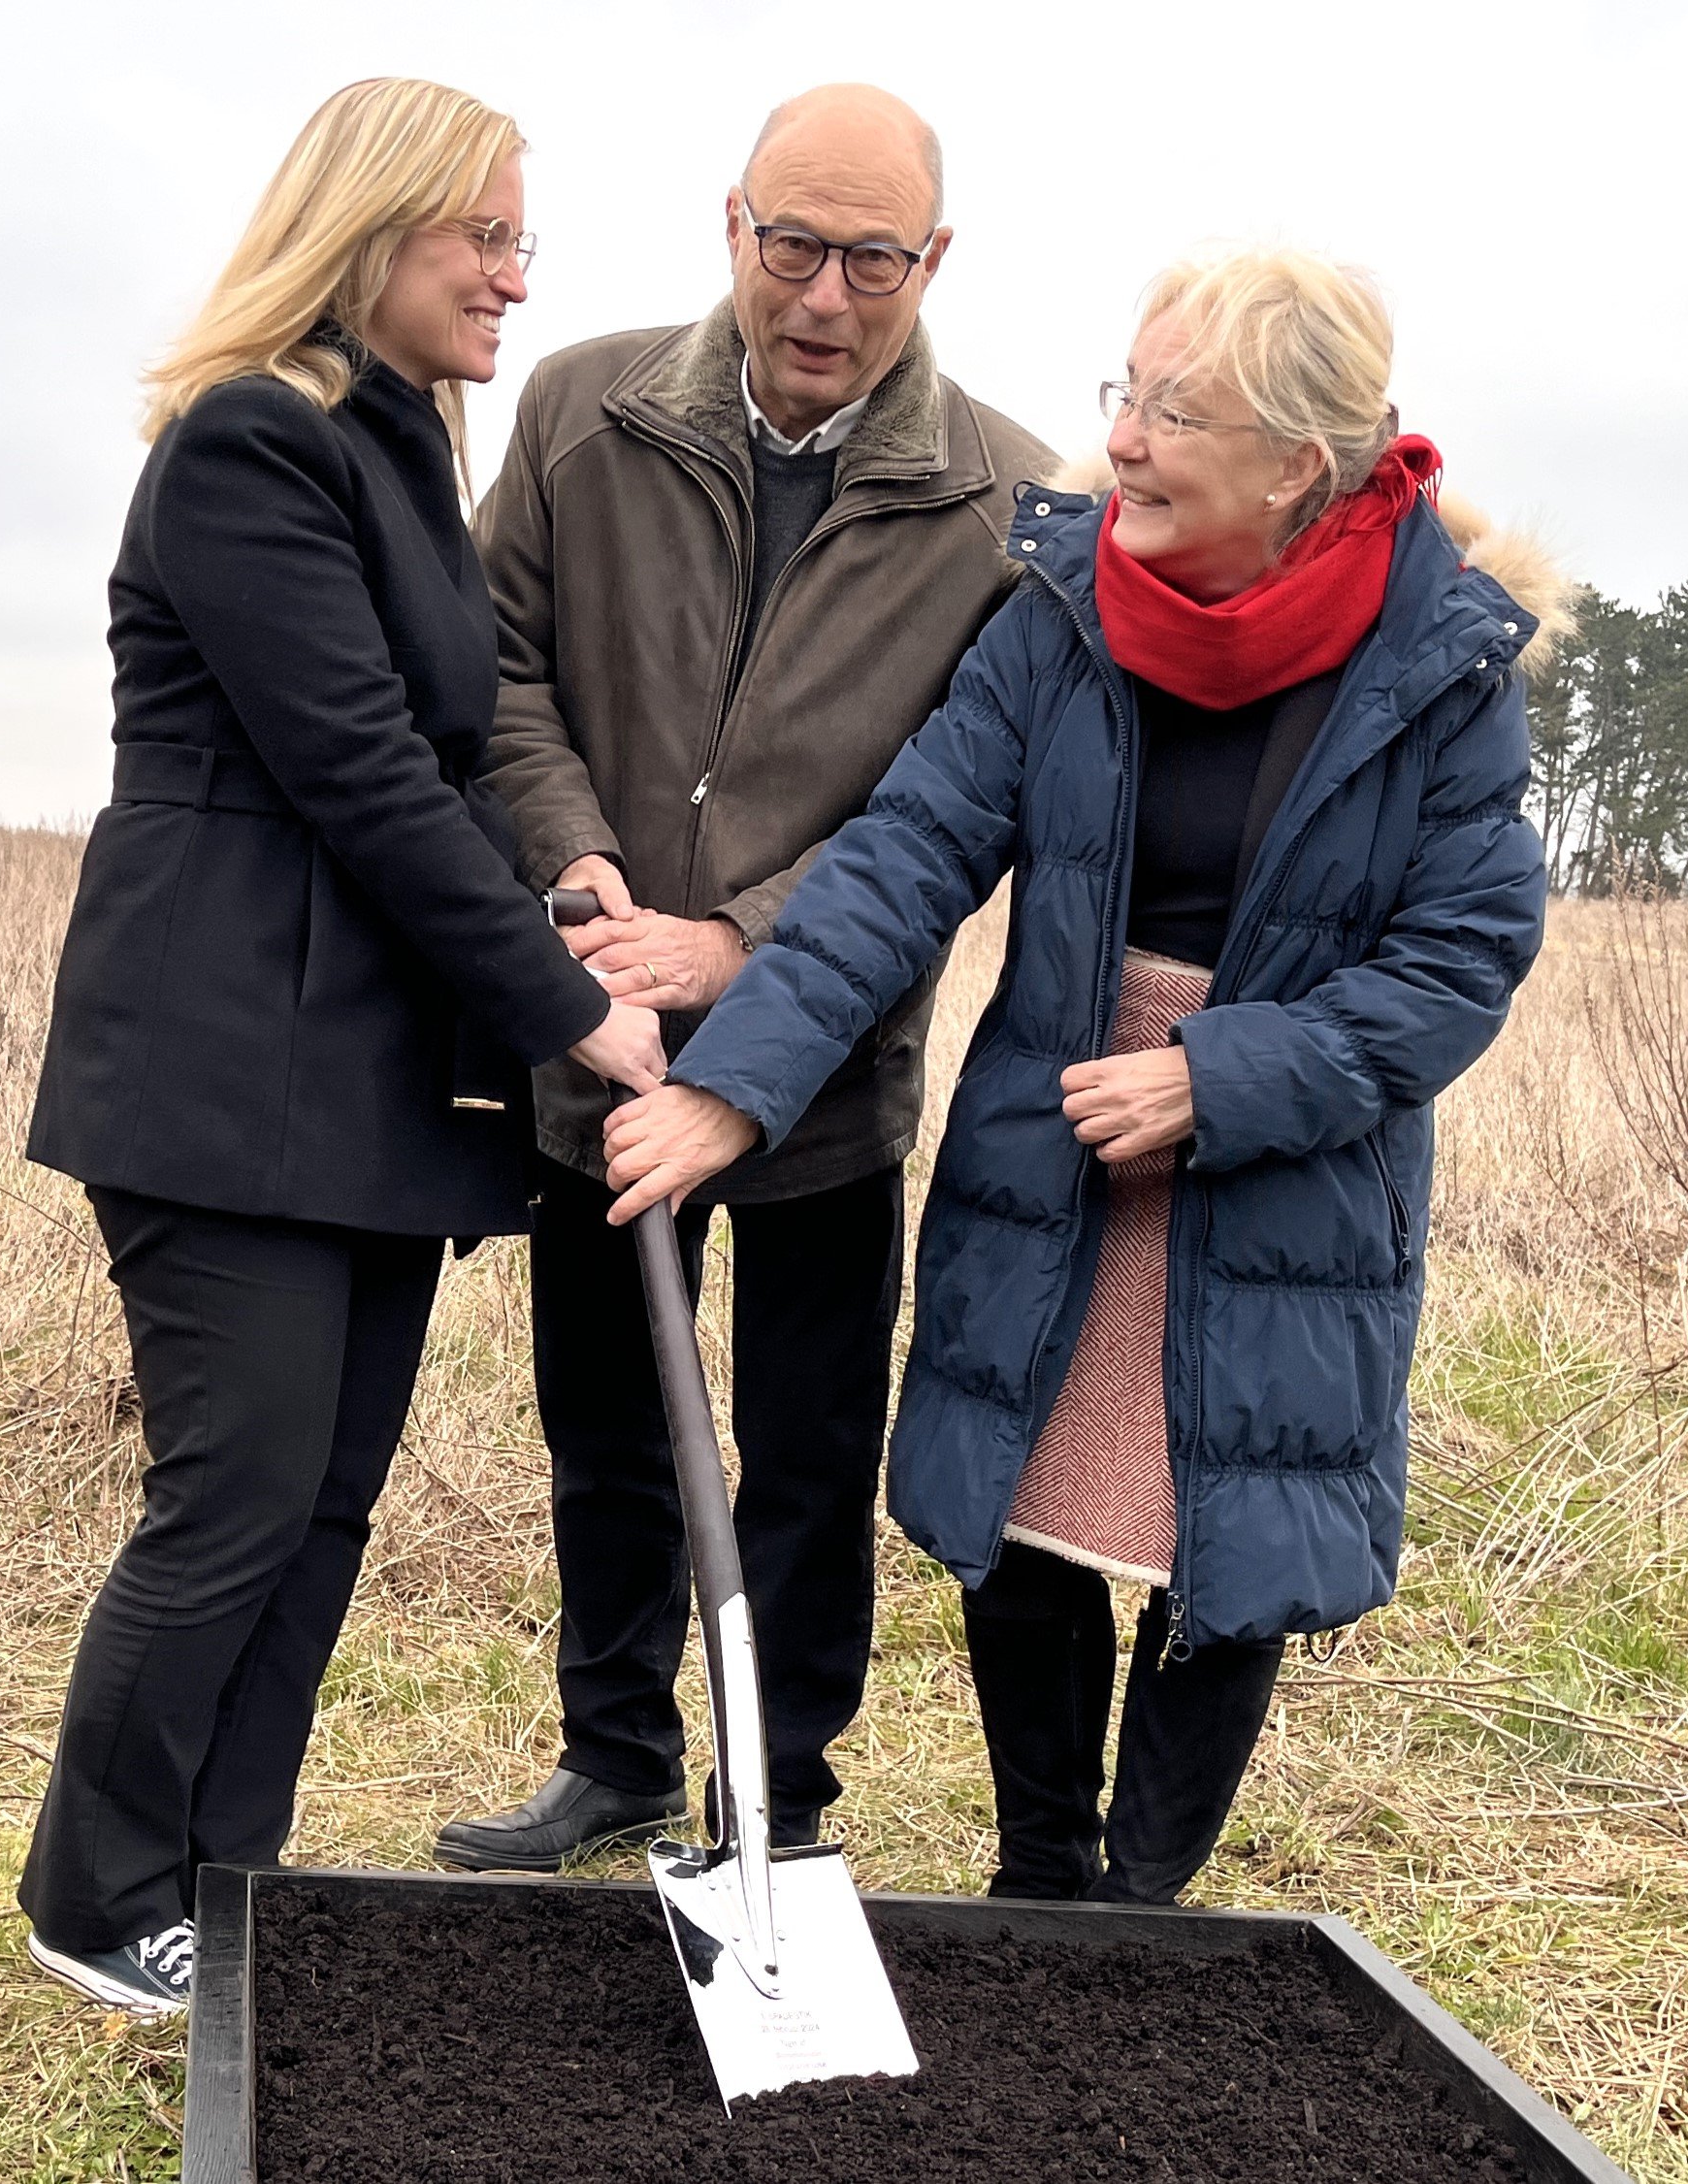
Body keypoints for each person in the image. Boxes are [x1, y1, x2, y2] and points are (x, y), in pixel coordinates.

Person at [602, 245, 1565, 1904]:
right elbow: (905, 857)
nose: (1120, 439)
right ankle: (1041, 1882)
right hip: (1050, 1139)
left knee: (1228, 1534)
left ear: (1296, 464)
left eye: (1173, 413)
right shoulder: (1062, 611)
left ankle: (1141, 1909)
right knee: (1026, 1500)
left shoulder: (1440, 663)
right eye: (1130, 393)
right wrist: (733, 1086)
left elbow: (1459, 961)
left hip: (1281, 1163)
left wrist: (1217, 1081)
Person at [16, 78, 664, 2015]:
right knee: (236, 1492)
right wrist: (572, 1012)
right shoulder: (249, 445)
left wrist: (561, 894)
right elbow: (360, 777)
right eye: (486, 236)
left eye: (525, 241)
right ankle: (96, 1893)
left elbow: (444, 772)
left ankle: (228, 1880)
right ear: (373, 224)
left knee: (320, 1504)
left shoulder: (399, 459)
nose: (516, 278)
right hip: (223, 1069)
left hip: (364, 1082)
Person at [432, 84, 1054, 1873]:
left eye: (874, 260)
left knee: (803, 1454)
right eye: (792, 246)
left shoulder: (1011, 503)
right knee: (608, 1425)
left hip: (825, 1082)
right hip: (600, 1046)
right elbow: (499, 668)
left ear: (936, 259)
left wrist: (745, 942)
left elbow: (960, 800)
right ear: (732, 225)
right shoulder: (581, 410)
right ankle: (616, 1752)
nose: (825, 296)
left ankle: (777, 1801)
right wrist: (580, 879)